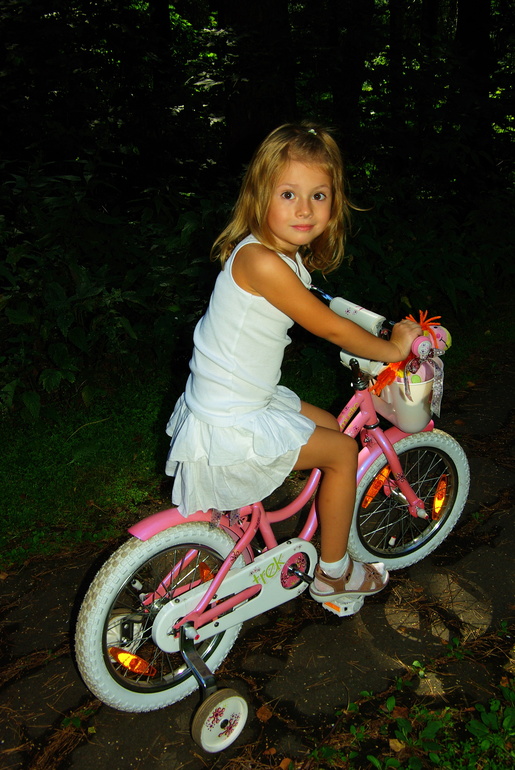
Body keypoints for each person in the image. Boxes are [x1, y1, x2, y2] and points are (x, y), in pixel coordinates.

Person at [165, 122, 421, 607]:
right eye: (288, 194)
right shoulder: (263, 263)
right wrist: (392, 349)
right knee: (342, 453)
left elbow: (322, 304)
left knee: (332, 426)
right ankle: (333, 574)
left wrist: (364, 323)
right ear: (259, 196)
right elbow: (328, 327)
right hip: (234, 417)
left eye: (318, 195)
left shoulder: (271, 254)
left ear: (334, 202)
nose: (304, 209)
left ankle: (257, 519)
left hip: (238, 398)